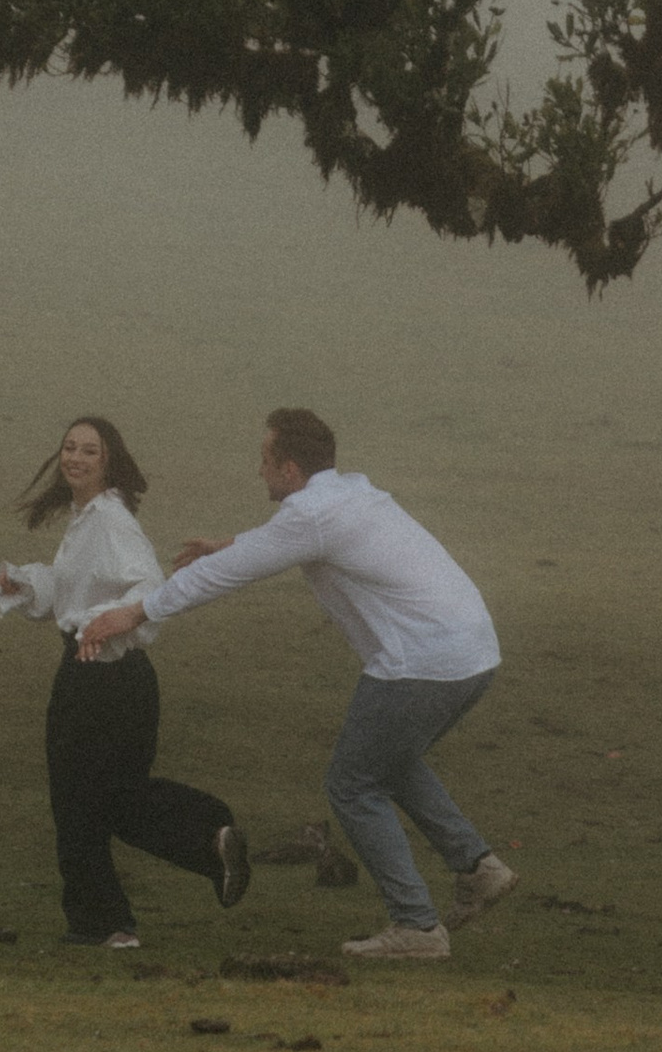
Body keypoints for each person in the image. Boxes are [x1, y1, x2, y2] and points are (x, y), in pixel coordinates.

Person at [74, 405, 514, 963]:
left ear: (287, 470)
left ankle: (417, 927)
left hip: (422, 662)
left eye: (264, 461)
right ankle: (478, 868)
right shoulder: (350, 493)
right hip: (473, 653)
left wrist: (135, 613)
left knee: (352, 785)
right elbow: (281, 541)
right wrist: (230, 542)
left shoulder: (313, 517)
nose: (257, 471)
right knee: (390, 762)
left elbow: (237, 570)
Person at [0, 413, 252, 949]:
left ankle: (102, 923)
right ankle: (210, 838)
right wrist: (25, 585)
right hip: (124, 679)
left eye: (89, 451)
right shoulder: (88, 518)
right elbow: (75, 592)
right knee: (114, 797)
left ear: (108, 461)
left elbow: (146, 586)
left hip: (97, 675)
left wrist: (102, 621)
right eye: (69, 448)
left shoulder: (109, 520)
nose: (75, 458)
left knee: (76, 801)